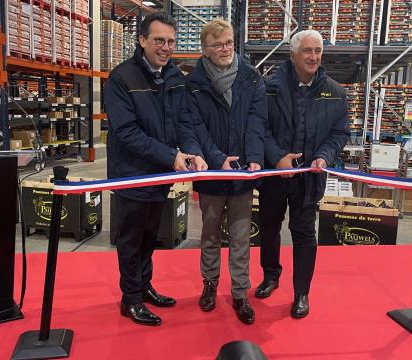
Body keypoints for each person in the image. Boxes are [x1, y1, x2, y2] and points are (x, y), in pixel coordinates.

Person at [104, 12, 208, 327]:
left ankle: (143, 286)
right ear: (142, 41)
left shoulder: (174, 77)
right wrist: (170, 156)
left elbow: (184, 122)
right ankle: (130, 299)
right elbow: (127, 132)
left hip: (160, 174)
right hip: (132, 173)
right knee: (131, 238)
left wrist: (193, 152)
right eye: (159, 40)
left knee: (150, 235)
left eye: (171, 41)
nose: (165, 47)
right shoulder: (122, 78)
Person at [255, 30, 350, 318]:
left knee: (304, 233)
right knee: (269, 228)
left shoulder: (335, 92)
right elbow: (260, 129)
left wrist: (324, 156)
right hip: (275, 174)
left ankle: (301, 292)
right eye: (307, 51)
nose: (313, 57)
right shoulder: (269, 87)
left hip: (309, 178)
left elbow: (339, 133)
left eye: (318, 51)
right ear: (293, 55)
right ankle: (271, 276)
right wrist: (277, 158)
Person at [186, 19, 266, 324]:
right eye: (218, 44)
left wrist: (255, 157)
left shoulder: (251, 78)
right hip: (211, 173)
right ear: (205, 49)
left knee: (241, 236)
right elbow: (195, 128)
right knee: (209, 233)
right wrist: (218, 158)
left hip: (243, 173)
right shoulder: (193, 83)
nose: (225, 49)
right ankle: (209, 285)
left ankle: (240, 293)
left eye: (229, 42)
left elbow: (258, 121)